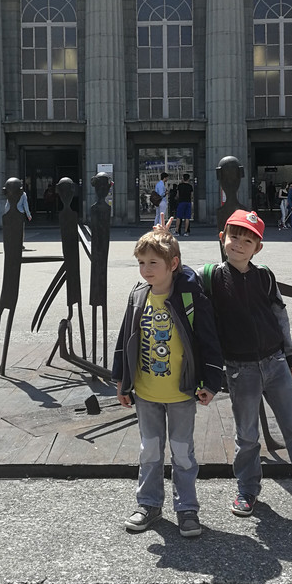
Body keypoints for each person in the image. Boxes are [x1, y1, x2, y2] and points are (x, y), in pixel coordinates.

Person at [202, 208, 292, 523]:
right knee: (247, 435)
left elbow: (280, 318)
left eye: (248, 241)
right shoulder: (212, 277)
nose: (239, 244)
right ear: (222, 238)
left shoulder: (265, 276)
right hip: (240, 368)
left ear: (257, 248)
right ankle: (247, 489)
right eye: (234, 237)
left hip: (275, 363)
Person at [112, 230, 224, 538]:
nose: (146, 269)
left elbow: (209, 341)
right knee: (149, 451)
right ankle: (148, 504)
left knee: (182, 453)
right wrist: (122, 381)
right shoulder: (138, 296)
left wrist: (211, 382)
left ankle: (186, 508)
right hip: (146, 393)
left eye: (153, 263)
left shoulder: (189, 296)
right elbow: (125, 340)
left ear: (173, 264)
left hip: (181, 393)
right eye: (141, 262)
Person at [18, 181, 32, 250]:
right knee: (21, 230)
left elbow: (7, 205)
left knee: (12, 229)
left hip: (11, 213)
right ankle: (20, 244)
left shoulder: (11, 193)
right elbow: (25, 205)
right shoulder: (23, 194)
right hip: (20, 212)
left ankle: (13, 242)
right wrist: (28, 215)